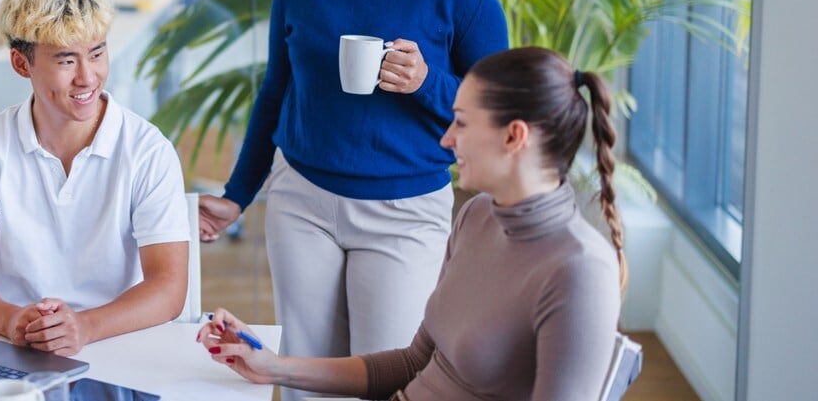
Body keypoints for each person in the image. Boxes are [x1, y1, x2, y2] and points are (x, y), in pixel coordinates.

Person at [196, 0, 508, 391]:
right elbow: (276, 93)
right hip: (301, 202)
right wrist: (238, 195)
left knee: (387, 378)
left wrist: (428, 85)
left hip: (406, 214)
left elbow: (500, 114)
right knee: (302, 375)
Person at [200, 47, 626, 401]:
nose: (446, 139)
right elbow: (413, 363)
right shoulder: (478, 216)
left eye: (461, 122)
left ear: (514, 136)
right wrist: (272, 366)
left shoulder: (580, 270)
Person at [0, 0, 190, 357]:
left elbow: (170, 287)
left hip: (118, 338)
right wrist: (13, 320)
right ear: (22, 64)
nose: (88, 77)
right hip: (15, 344)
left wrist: (83, 328)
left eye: (97, 53)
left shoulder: (148, 151)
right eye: (66, 60)